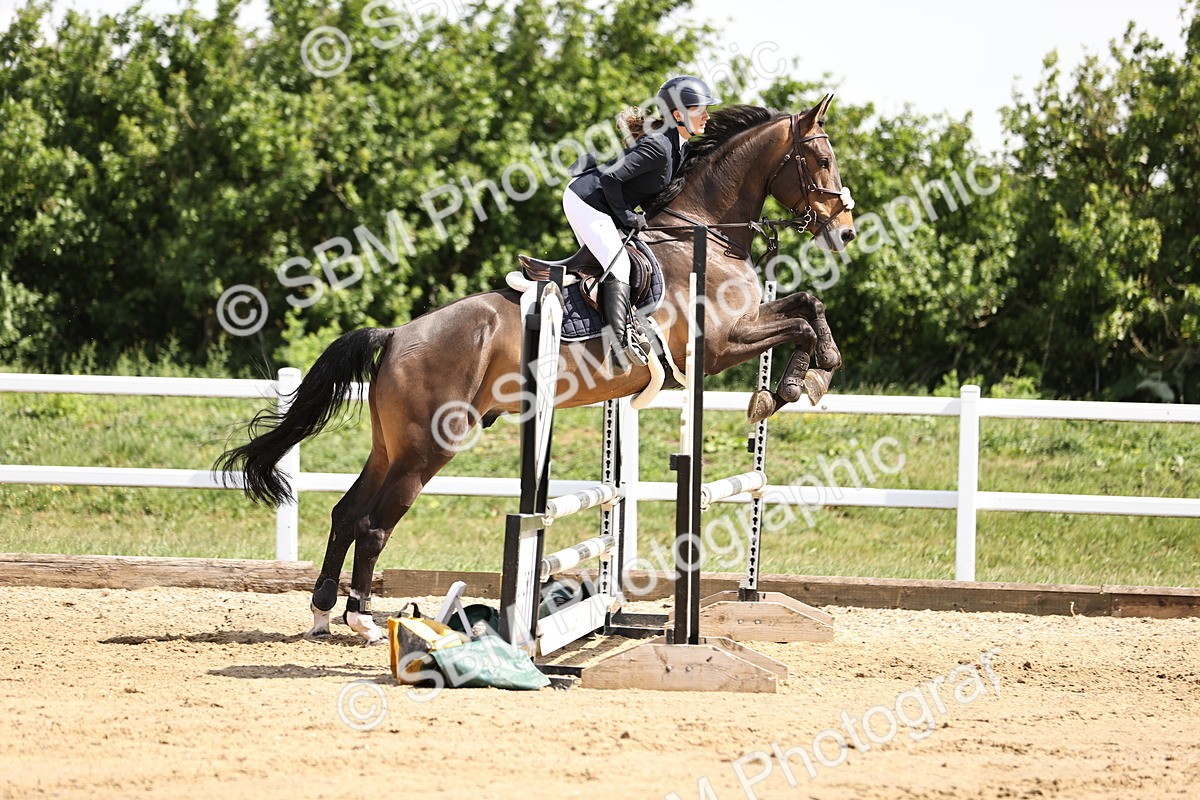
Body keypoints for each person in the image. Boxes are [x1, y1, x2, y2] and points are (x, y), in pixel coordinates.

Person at [564, 75, 719, 368]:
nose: (707, 116)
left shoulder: (680, 146)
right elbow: (610, 179)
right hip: (587, 200)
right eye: (700, 109)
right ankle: (617, 344)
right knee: (619, 264)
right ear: (678, 114)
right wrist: (626, 216)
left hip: (604, 203)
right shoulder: (659, 146)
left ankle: (598, 326)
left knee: (613, 263)